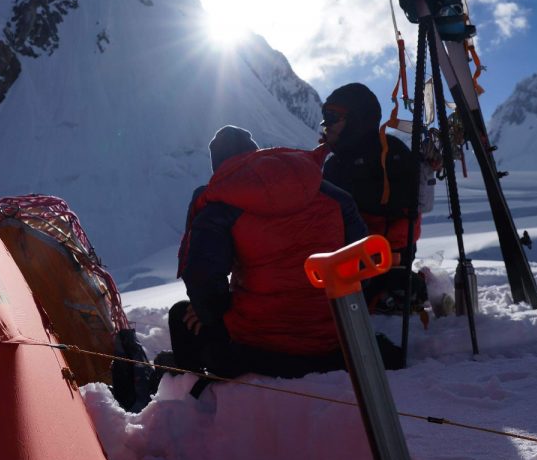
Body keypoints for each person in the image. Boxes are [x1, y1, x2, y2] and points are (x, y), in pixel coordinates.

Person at [166, 126, 401, 386]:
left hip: (261, 351)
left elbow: (202, 279)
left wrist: (211, 313)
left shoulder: (220, 206)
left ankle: (192, 392)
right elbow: (361, 266)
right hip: (337, 341)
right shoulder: (330, 193)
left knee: (181, 315)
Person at [320, 83, 428, 314]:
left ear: (357, 119)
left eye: (332, 116)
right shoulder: (337, 162)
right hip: (352, 261)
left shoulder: (389, 155)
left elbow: (403, 216)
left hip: (379, 265)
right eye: (324, 116)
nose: (325, 124)